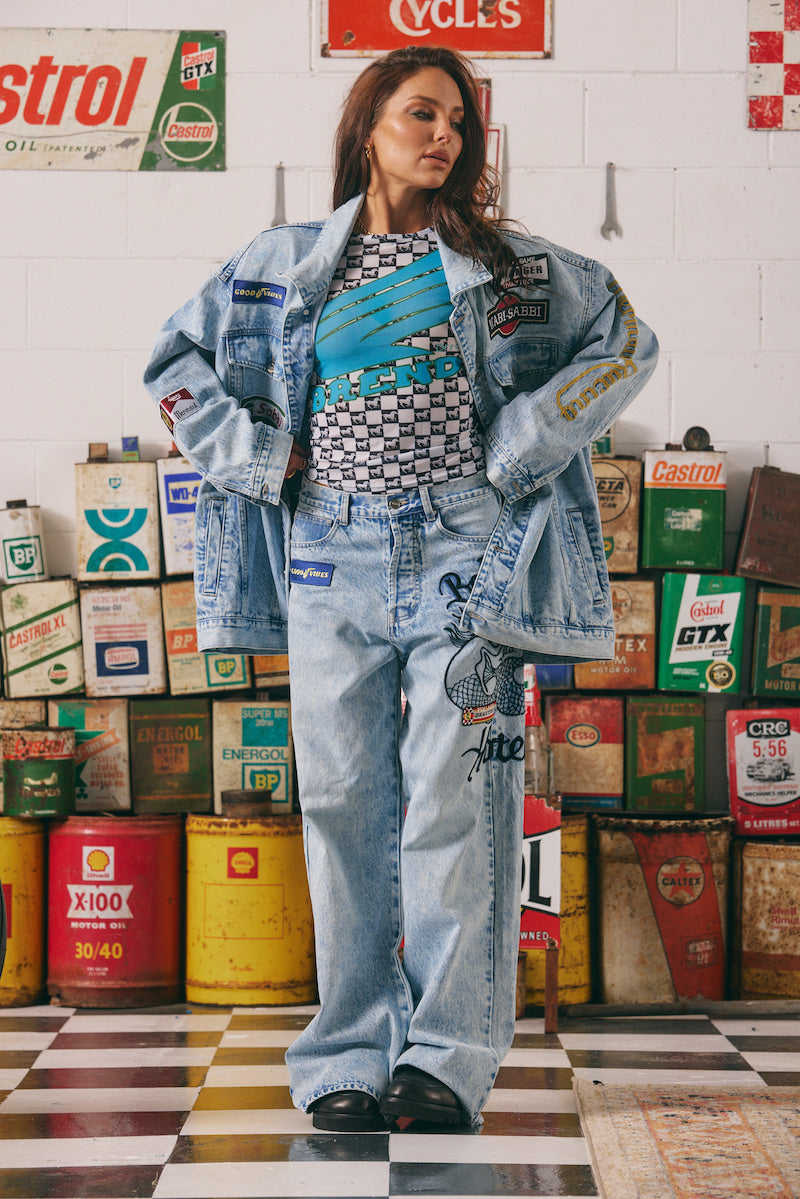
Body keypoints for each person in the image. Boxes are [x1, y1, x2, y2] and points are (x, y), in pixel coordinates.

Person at [144, 45, 658, 1133]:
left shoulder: (514, 268)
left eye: (459, 122)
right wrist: (260, 457)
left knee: (458, 804)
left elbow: (624, 342)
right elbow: (174, 365)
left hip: (468, 553)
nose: (444, 136)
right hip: (327, 555)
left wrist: (523, 441)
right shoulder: (281, 262)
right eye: (422, 113)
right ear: (367, 125)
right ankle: (344, 1054)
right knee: (340, 805)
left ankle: (445, 1057)